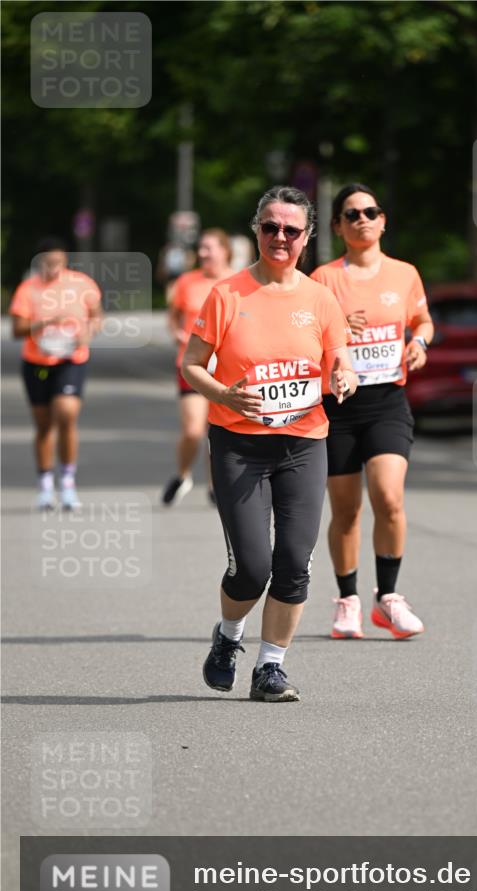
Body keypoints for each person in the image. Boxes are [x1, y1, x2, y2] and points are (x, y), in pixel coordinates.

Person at [181, 186, 357, 702]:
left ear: (307, 237)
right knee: (251, 569)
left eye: (291, 230)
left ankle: (270, 668)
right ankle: (229, 636)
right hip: (239, 445)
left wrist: (343, 377)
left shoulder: (321, 299)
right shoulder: (227, 294)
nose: (280, 237)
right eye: (270, 227)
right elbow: (192, 364)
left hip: (304, 441)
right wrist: (224, 394)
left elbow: (339, 359)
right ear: (256, 230)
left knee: (294, 563)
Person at [311, 183, 434, 640]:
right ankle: (348, 601)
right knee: (345, 512)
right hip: (338, 406)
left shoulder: (404, 274)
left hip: (387, 402)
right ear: (339, 227)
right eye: (352, 213)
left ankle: (389, 599)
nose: (362, 218)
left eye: (371, 211)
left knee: (389, 497)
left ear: (384, 221)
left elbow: (422, 320)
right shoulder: (323, 279)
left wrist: (419, 342)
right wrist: (339, 327)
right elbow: (305, 335)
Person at [9, 237, 102, 510]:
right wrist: (45, 322)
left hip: (71, 359)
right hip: (37, 363)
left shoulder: (81, 284)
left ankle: (69, 483)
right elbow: (16, 330)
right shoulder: (28, 289)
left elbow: (96, 315)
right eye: (49, 263)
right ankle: (45, 484)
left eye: (59, 262)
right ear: (39, 263)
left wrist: (89, 330)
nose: (54, 268)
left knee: (66, 415)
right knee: (44, 426)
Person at [162, 228, 234, 506]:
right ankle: (183, 475)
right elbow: (173, 317)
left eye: (209, 248)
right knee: (194, 430)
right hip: (191, 365)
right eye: (201, 248)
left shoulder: (240, 281)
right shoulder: (186, 282)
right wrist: (177, 333)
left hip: (228, 366)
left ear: (224, 251)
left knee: (218, 430)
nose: (203, 253)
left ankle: (215, 486)